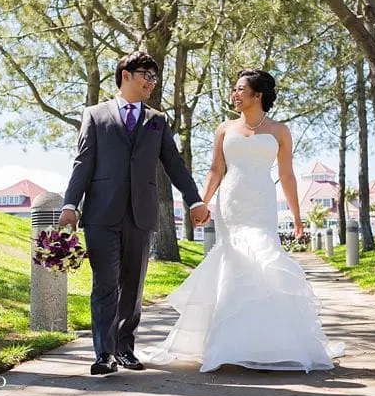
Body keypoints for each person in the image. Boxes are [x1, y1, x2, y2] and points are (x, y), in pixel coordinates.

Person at [141, 69, 344, 372]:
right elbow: (215, 169)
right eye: (234, 90)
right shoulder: (224, 128)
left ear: (257, 94)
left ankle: (269, 343)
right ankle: (227, 344)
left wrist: (297, 218)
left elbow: (287, 175)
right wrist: (202, 203)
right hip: (231, 202)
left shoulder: (279, 131)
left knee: (265, 259)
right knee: (233, 261)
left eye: (239, 90)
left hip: (262, 202)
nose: (234, 95)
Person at [59, 51, 210, 376]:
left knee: (133, 287)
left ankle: (125, 349)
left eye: (155, 78)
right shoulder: (95, 115)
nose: (152, 83)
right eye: (147, 75)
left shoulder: (157, 120)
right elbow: (82, 162)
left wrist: (194, 199)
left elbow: (174, 163)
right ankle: (104, 354)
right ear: (126, 74)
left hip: (141, 214)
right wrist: (70, 205)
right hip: (101, 212)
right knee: (105, 284)